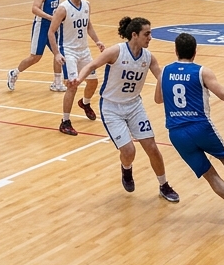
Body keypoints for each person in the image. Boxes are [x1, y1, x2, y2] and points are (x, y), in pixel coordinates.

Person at [155, 32, 224, 225]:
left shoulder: (164, 72)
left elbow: (158, 99)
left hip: (177, 134)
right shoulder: (202, 71)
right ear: (195, 52)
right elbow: (223, 94)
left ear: (176, 51)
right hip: (201, 126)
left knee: (210, 175)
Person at [69, 16, 179, 202]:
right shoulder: (116, 51)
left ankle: (164, 185)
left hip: (134, 106)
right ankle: (126, 169)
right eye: (147, 34)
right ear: (134, 35)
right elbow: (92, 65)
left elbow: (161, 77)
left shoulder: (148, 57)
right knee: (129, 151)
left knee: (152, 147)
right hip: (112, 107)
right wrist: (78, 79)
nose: (150, 37)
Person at [48, 0, 104, 135]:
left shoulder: (87, 5)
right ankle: (65, 122)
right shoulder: (63, 8)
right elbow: (51, 32)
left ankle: (85, 103)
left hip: (84, 50)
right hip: (69, 52)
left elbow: (88, 25)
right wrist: (57, 53)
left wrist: (97, 41)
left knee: (93, 83)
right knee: (72, 85)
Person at [6, 0, 64, 92]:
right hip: (41, 26)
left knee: (58, 53)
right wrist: (50, 17)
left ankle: (57, 83)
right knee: (35, 57)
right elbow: (34, 9)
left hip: (53, 27)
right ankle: (14, 73)